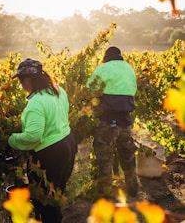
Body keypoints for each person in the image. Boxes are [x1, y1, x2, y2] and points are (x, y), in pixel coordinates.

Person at [8, 58, 77, 223]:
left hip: (50, 154)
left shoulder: (36, 103)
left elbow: (33, 136)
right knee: (56, 192)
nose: (21, 85)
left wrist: (11, 140)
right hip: (68, 142)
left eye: (21, 80)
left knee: (45, 201)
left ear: (28, 80)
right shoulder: (58, 91)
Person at [86, 46, 138, 199]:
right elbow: (132, 91)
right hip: (126, 122)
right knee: (128, 155)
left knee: (104, 157)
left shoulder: (104, 68)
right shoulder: (129, 68)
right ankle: (133, 188)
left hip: (108, 121)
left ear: (106, 57)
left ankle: (105, 192)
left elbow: (89, 87)